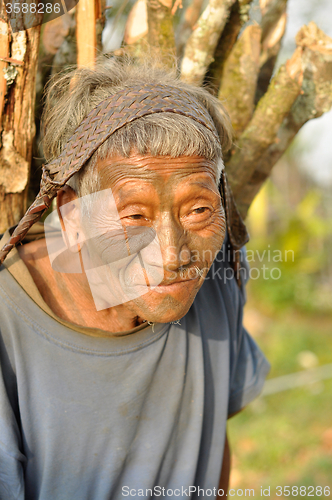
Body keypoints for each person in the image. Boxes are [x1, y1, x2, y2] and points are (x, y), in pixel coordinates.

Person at [0, 58, 270, 499]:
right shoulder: (7, 323)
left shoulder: (218, 283)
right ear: (71, 215)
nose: (172, 254)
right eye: (134, 216)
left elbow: (212, 437)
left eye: (198, 210)